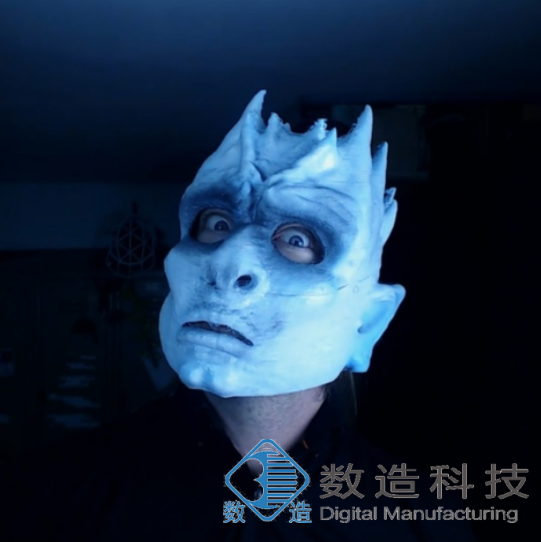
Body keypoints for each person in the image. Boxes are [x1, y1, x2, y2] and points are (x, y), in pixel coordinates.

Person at [1, 91, 476, 541]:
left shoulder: (419, 517)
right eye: (217, 223)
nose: (227, 261)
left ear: (367, 323)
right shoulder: (50, 493)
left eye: (298, 240)